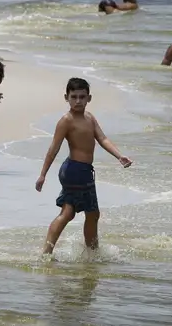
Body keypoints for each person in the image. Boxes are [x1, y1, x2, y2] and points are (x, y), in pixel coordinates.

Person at [34, 78, 132, 256]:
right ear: (66, 97)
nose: (78, 101)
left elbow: (102, 139)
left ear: (89, 98)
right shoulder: (66, 121)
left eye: (82, 97)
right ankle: (49, 252)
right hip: (74, 170)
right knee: (72, 212)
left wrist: (119, 156)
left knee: (89, 214)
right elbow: (53, 149)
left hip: (84, 171)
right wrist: (42, 175)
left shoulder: (89, 118)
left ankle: (90, 252)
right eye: (74, 97)